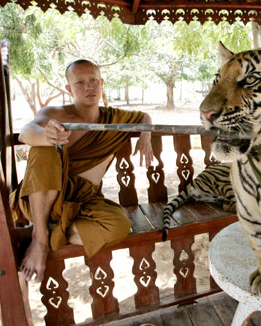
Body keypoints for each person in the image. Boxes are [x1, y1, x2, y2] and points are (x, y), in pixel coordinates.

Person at [10, 59, 154, 283]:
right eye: (80, 82)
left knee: (119, 226)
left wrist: (146, 135)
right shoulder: (55, 112)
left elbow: (144, 117)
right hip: (45, 197)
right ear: (69, 89)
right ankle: (39, 236)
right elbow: (26, 132)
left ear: (101, 82)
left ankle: (50, 234)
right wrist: (47, 136)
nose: (89, 87)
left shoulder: (112, 118)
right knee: (45, 147)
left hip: (84, 200)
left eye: (94, 80)